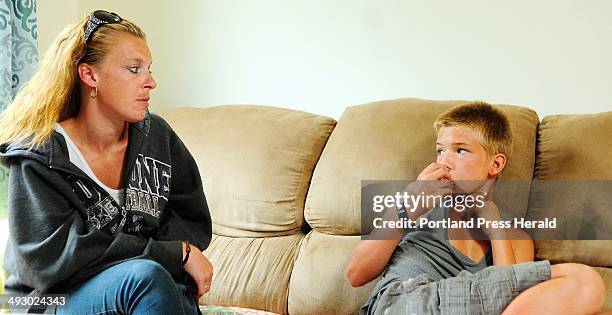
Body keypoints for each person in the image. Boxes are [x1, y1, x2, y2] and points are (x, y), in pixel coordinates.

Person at [0, 10, 213, 314]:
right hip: (44, 299)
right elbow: (51, 260)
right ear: (90, 75)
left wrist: (170, 260)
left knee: (162, 284)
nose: (150, 82)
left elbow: (190, 216)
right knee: (147, 278)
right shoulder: (40, 153)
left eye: (148, 69)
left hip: (135, 284)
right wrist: (171, 255)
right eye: (134, 69)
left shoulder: (157, 137)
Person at [347, 102, 606, 314]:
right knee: (583, 281)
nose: (444, 162)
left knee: (585, 283)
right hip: (403, 302)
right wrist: (408, 207)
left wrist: (496, 231)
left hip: (466, 305)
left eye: (460, 151)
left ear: (495, 164)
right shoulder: (414, 205)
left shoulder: (515, 237)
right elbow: (356, 275)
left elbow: (507, 295)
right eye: (439, 151)